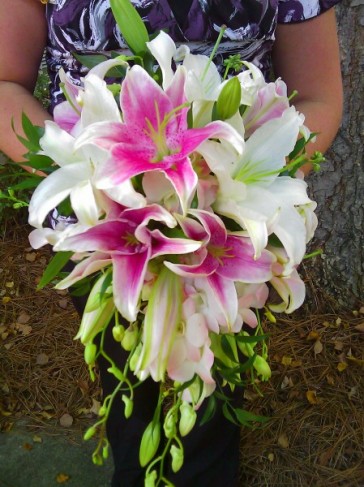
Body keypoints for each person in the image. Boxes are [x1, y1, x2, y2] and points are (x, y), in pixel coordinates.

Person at [0, 1, 343, 486]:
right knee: (128, 386)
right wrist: (104, 188)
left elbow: (318, 97)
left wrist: (224, 199)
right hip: (104, 226)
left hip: (232, 229)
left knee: (210, 406)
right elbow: (4, 85)